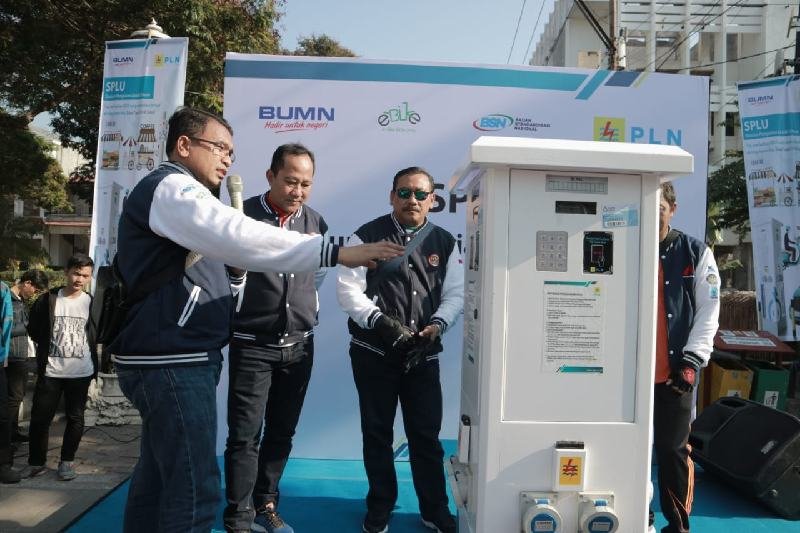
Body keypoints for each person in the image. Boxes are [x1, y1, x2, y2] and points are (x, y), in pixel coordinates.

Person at [109, 106, 403, 533]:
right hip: (172, 359)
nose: (227, 159)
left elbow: (227, 263)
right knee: (194, 490)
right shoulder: (171, 187)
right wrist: (335, 252)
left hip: (184, 354)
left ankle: (264, 505)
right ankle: (241, 516)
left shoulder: (190, 195)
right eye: (219, 148)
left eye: (231, 151)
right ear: (184, 145)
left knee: (158, 481)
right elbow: (236, 235)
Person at [337, 166, 464, 533]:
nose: (413, 200)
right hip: (373, 353)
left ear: (433, 200)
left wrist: (437, 325)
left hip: (422, 356)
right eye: (405, 193)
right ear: (392, 196)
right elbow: (348, 290)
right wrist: (380, 322)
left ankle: (434, 509)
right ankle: (380, 505)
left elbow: (456, 293)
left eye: (421, 194)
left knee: (426, 437)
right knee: (376, 433)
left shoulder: (444, 241)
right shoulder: (366, 236)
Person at [223, 143, 326, 533]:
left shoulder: (316, 222)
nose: (297, 191)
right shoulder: (241, 216)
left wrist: (301, 310)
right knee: (244, 437)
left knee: (282, 432)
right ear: (270, 176)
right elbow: (226, 282)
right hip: (252, 346)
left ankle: (266, 504)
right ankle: (238, 517)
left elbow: (316, 277)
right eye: (290, 181)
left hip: (299, 347)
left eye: (305, 184)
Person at [651, 182, 720, 533]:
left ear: (673, 209)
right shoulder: (620, 245)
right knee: (625, 446)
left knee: (672, 450)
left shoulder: (694, 251)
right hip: (627, 375)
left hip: (674, 373)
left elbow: (709, 309)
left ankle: (677, 525)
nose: (654, 216)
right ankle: (634, 514)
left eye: (660, 208)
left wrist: (692, 360)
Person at [23, 254, 97, 482]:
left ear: (90, 277)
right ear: (67, 272)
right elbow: (34, 329)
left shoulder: (92, 303)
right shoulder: (48, 299)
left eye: (85, 275)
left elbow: (97, 332)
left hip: (81, 371)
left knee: (76, 418)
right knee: (39, 419)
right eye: (76, 273)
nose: (79, 279)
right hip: (51, 371)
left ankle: (67, 462)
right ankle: (36, 463)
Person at [7, 270, 49, 442]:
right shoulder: (7, 299)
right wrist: (28, 325)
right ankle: (6, 437)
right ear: (27, 283)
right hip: (12, 355)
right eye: (35, 290)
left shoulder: (21, 300)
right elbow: (5, 328)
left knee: (17, 397)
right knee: (14, 397)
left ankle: (13, 432)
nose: (35, 294)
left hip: (22, 354)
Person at [1, 278, 21, 483]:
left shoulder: (2, 289)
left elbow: (6, 325)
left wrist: (3, 356)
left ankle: (3, 464)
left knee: (2, 415)